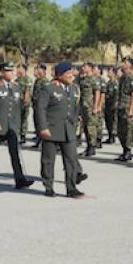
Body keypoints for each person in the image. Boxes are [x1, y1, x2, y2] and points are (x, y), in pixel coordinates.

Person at [35, 61, 84, 198]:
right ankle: (48, 186)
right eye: (67, 73)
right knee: (48, 160)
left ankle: (71, 188)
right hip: (52, 129)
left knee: (71, 160)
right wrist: (43, 127)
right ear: (59, 75)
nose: (71, 75)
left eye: (71, 73)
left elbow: (75, 109)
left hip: (68, 130)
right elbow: (40, 109)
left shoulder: (75, 89)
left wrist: (74, 125)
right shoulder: (49, 88)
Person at [0, 62, 34, 190]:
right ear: (2, 72)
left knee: (15, 154)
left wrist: (17, 124)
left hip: (11, 126)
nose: (12, 73)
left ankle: (19, 179)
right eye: (8, 71)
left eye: (12, 71)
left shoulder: (16, 87)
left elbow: (17, 107)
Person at [116, 57, 133, 162]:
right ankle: (124, 150)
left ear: (130, 65)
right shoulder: (122, 78)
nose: (123, 64)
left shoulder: (131, 78)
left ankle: (128, 151)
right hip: (121, 106)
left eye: (125, 63)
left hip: (127, 107)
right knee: (120, 130)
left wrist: (131, 109)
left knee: (128, 130)